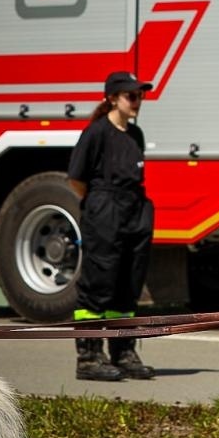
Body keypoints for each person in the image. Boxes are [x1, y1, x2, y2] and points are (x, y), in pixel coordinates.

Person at [67, 70, 157, 382]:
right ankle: (89, 356)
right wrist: (100, 207)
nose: (137, 101)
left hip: (134, 210)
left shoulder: (136, 135)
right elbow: (77, 179)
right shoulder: (96, 133)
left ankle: (123, 351)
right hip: (105, 210)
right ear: (112, 98)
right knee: (98, 285)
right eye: (131, 96)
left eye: (140, 95)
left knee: (127, 287)